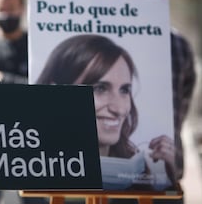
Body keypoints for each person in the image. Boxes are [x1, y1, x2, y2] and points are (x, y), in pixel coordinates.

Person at [36, 34, 176, 191]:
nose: (119, 109)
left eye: (124, 90)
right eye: (100, 88)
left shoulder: (137, 172)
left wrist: (169, 184)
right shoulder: (34, 169)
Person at [109, 0, 197, 203]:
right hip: (109, 180)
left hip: (163, 178)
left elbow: (180, 107)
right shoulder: (102, 45)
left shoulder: (177, 46)